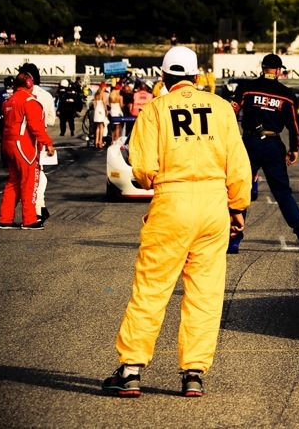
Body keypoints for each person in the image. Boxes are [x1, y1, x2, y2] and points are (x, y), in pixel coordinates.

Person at [102, 46, 250, 398]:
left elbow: (143, 170)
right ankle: (194, 373)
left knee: (152, 288)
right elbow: (238, 164)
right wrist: (237, 206)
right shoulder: (221, 109)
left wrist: (165, 185)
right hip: (214, 204)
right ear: (198, 77)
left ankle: (131, 370)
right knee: (205, 292)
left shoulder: (154, 109)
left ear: (164, 78)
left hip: (173, 201)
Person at [233, 53, 299, 252]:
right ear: (278, 71)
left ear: (262, 68)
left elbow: (230, 111)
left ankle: (234, 240)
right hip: (273, 144)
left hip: (249, 143)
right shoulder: (286, 94)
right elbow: (295, 126)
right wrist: (294, 149)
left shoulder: (247, 88)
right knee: (283, 193)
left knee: (241, 192)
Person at [0, 72, 55, 229]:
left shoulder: (8, 101)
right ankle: (29, 220)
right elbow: (36, 127)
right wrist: (48, 143)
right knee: (30, 182)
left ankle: (5, 219)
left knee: (13, 182)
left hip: (8, 145)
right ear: (29, 83)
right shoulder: (29, 102)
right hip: (24, 147)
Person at [18, 63, 56, 225]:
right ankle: (37, 210)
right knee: (37, 176)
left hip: (18, 141)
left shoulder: (16, 96)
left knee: (28, 177)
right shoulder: (46, 96)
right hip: (37, 141)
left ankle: (38, 210)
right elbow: (51, 121)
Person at [0, 76, 15, 146]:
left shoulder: (0, 94)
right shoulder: (18, 94)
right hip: (15, 121)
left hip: (3, 121)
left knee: (4, 143)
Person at [92, 82, 109, 149]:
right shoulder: (103, 94)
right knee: (102, 126)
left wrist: (96, 110)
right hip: (101, 109)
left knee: (98, 127)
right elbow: (104, 102)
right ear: (103, 87)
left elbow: (94, 104)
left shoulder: (96, 94)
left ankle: (96, 142)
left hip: (97, 110)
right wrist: (106, 110)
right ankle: (100, 141)